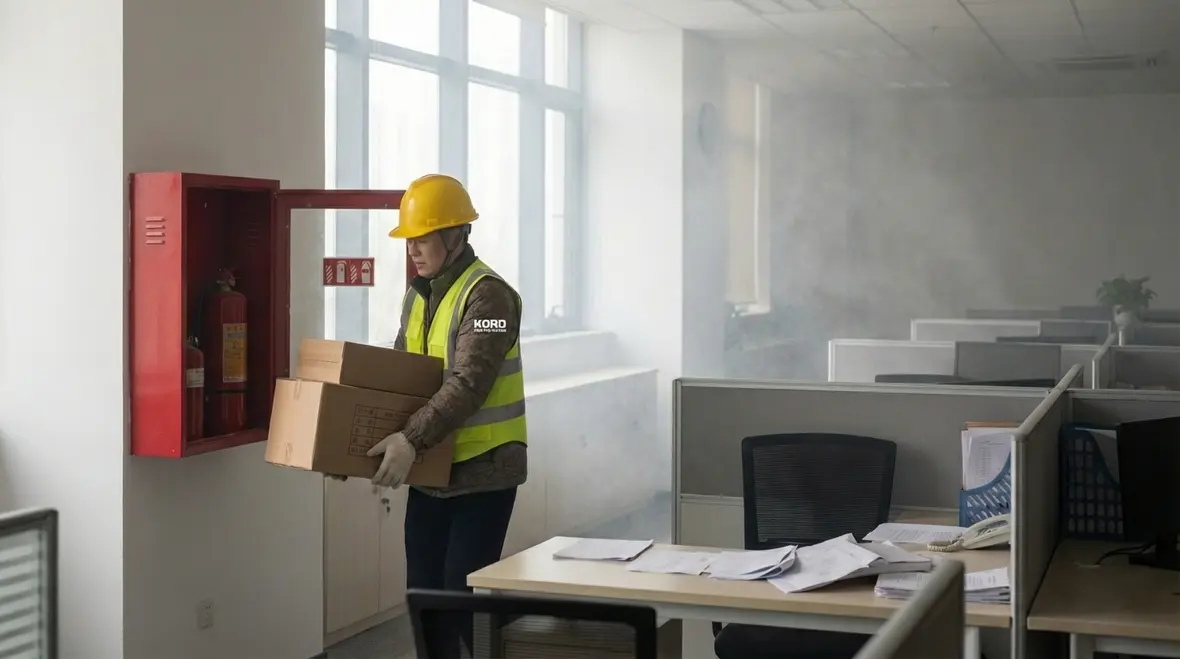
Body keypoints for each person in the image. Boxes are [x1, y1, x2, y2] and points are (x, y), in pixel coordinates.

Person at [369, 173, 527, 659]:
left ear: (456, 234)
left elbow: (469, 383)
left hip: (483, 474)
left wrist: (410, 439)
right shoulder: (418, 295)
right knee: (425, 604)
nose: (413, 249)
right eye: (409, 239)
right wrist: (356, 448)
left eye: (423, 237)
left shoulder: (489, 297)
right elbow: (402, 378)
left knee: (462, 606)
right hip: (431, 474)